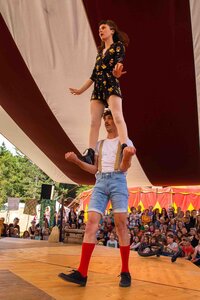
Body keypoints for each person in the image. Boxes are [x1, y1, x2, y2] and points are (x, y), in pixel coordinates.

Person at [59, 109, 136, 287]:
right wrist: (76, 161)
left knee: (121, 225)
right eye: (105, 119)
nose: (107, 121)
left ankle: (125, 271)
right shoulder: (99, 144)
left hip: (118, 180)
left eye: (110, 118)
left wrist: (127, 157)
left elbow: (125, 167)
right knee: (91, 224)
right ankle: (82, 273)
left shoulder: (126, 141)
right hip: (100, 182)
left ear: (117, 122)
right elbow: (95, 170)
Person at [69, 20, 129, 164]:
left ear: (112, 31)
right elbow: (93, 75)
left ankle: (124, 146)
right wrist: (80, 90)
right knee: (94, 122)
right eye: (99, 29)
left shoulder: (118, 46)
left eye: (103, 28)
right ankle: (90, 153)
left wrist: (117, 73)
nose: (100, 31)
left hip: (110, 83)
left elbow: (119, 62)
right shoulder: (99, 52)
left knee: (117, 116)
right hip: (98, 87)